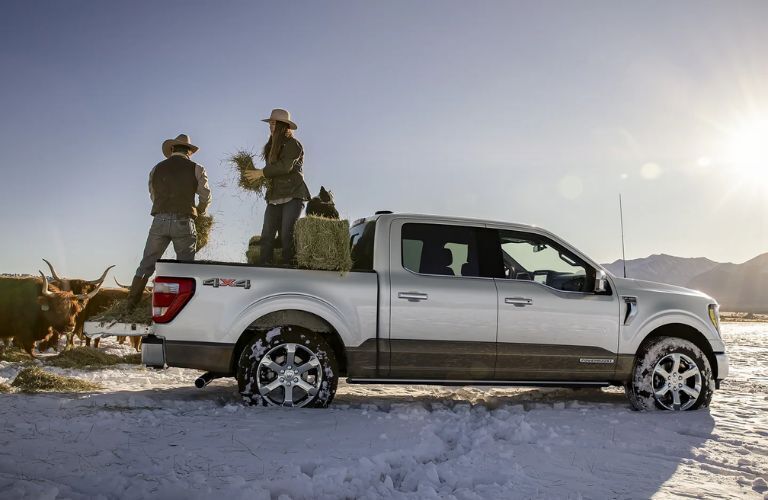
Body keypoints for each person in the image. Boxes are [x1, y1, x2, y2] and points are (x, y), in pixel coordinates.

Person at [127, 133, 211, 309]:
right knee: (185, 268)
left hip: (160, 220)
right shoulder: (197, 168)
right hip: (184, 221)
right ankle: (180, 308)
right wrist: (200, 210)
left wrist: (164, 209)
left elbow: (153, 195)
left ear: (172, 149)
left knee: (146, 264)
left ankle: (130, 305)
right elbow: (205, 195)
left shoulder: (156, 169)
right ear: (189, 152)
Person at [244, 108, 310, 265]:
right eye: (270, 123)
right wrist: (258, 176)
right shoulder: (271, 146)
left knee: (287, 234)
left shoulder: (294, 145)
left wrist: (261, 173)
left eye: (273, 123)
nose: (270, 126)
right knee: (267, 235)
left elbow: (285, 167)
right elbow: (272, 171)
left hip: (293, 194)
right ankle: (264, 265)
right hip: (274, 196)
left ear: (282, 126)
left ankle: (289, 267)